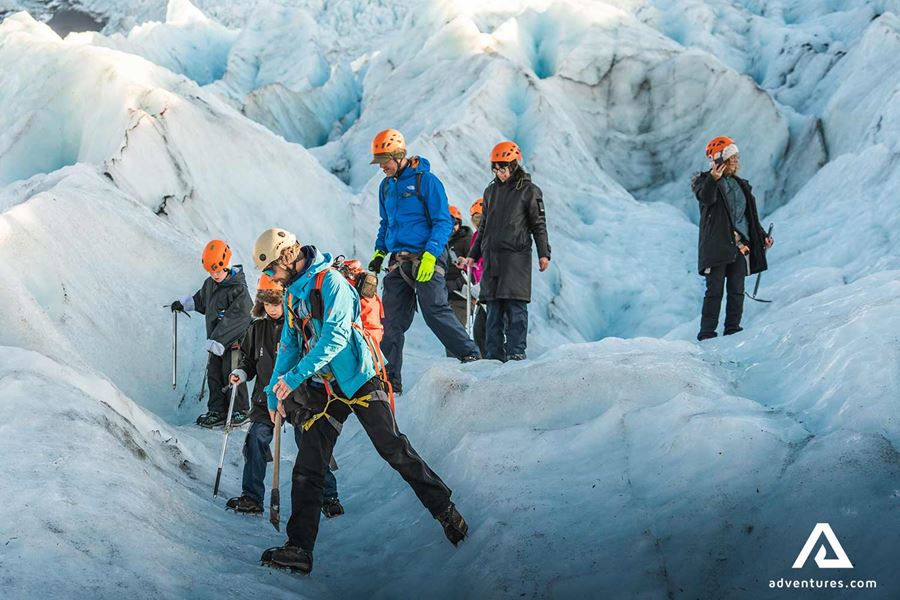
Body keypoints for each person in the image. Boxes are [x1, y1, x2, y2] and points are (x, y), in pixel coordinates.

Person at [252, 228, 468, 575]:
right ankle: (299, 549)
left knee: (392, 447)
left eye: (271, 268)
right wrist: (271, 391)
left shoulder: (331, 283)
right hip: (326, 386)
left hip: (359, 378)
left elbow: (335, 338)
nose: (271, 276)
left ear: (287, 256)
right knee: (309, 464)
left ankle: (445, 510)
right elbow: (290, 344)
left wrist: (292, 379)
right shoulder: (293, 294)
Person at [367, 129, 480, 394]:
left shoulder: (426, 181)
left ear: (398, 155)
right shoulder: (386, 186)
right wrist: (379, 253)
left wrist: (431, 254)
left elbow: (442, 221)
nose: (381, 166)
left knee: (434, 310)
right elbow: (386, 224)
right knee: (390, 321)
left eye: (384, 160)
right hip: (399, 260)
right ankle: (390, 380)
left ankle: (471, 354)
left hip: (427, 257)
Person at [225, 274, 342, 518]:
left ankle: (328, 496)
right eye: (267, 303)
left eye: (276, 302)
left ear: (286, 300)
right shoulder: (256, 328)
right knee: (256, 440)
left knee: (310, 444)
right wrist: (241, 373)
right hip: (264, 398)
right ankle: (252, 497)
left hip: (299, 397)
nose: (272, 308)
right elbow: (248, 360)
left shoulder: (299, 326)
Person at [467, 142, 551, 362]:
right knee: (493, 309)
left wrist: (544, 253)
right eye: (495, 169)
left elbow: (538, 225)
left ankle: (516, 352)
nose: (499, 173)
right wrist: (473, 255)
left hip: (516, 258)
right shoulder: (490, 192)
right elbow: (483, 228)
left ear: (514, 165)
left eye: (503, 168)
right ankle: (493, 356)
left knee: (515, 307)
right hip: (492, 258)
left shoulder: (529, 191)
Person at [692, 136, 774, 341]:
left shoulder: (741, 185)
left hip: (739, 245)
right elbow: (706, 198)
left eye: (736, 157)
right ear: (721, 159)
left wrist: (762, 236)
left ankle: (733, 329)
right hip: (716, 245)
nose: (736, 161)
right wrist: (713, 179)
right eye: (732, 157)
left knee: (737, 289)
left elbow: (748, 216)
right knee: (715, 291)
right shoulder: (704, 182)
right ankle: (707, 334)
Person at [170, 240, 251, 427]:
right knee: (214, 373)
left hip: (235, 342)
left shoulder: (239, 289)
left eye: (218, 271)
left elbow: (238, 318)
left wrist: (219, 340)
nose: (215, 275)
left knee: (231, 372)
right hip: (216, 342)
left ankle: (240, 410)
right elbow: (201, 300)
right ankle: (217, 410)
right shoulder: (210, 284)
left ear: (226, 265)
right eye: (211, 272)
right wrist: (184, 304)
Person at [444, 205, 475, 347]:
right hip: (446, 295)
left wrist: (456, 284)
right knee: (448, 332)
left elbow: (474, 271)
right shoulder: (442, 242)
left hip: (462, 297)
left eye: (455, 223)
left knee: (457, 332)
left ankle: (466, 356)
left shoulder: (467, 241)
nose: (452, 226)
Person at [468, 198, 487, 357]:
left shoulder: (490, 235)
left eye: (480, 218)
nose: (477, 222)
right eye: (475, 218)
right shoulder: (476, 236)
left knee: (489, 329)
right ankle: (488, 361)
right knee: (479, 332)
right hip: (480, 289)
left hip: (491, 288)